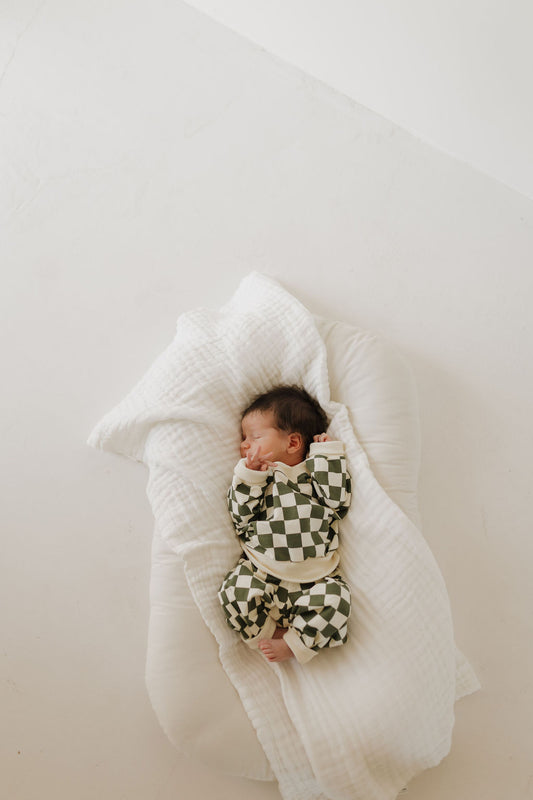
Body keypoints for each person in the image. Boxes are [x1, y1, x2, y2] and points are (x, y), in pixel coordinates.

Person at [218, 385, 352, 664]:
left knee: (337, 600)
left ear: (292, 443)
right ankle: (269, 633)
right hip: (262, 571)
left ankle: (295, 642)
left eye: (254, 437)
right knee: (233, 592)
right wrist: (249, 477)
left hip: (315, 578)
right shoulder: (258, 480)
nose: (244, 445)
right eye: (244, 438)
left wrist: (326, 455)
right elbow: (239, 517)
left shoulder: (311, 476)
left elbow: (337, 501)